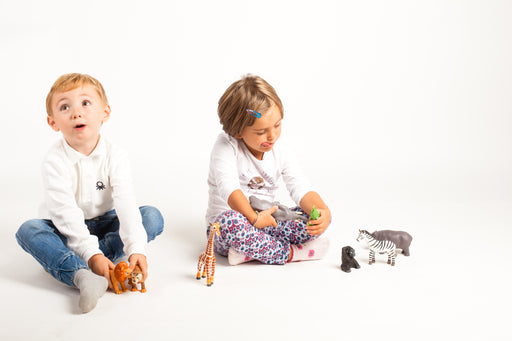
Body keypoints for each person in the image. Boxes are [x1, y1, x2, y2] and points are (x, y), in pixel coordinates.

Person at [15, 73, 164, 313]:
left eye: (85, 103)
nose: (76, 113)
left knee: (152, 216)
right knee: (29, 230)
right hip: (65, 227)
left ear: (105, 112)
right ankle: (82, 275)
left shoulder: (116, 155)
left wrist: (136, 248)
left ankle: (70, 258)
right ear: (52, 122)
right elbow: (65, 213)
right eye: (65, 107)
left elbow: (125, 202)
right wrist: (92, 254)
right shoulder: (54, 161)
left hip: (106, 221)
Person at [206, 74, 331, 266]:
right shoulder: (226, 146)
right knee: (229, 223)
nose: (272, 136)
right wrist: (254, 218)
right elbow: (228, 187)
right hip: (230, 228)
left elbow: (298, 184)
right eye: (261, 132)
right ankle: (291, 253)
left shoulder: (279, 150)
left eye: (277, 125)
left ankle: (251, 251)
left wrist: (322, 211)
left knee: (313, 217)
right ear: (238, 131)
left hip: (269, 221)